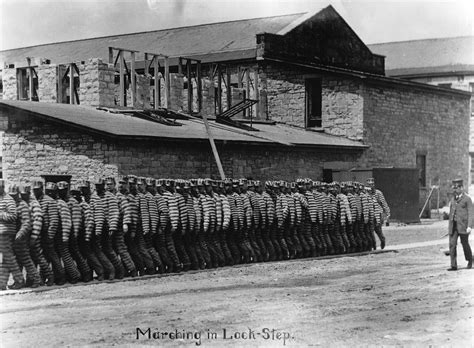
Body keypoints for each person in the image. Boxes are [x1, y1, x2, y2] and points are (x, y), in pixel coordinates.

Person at [447, 179, 473, 271]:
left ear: (462, 188)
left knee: (465, 244)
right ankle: (453, 265)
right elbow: (451, 212)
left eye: (457, 188)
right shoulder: (453, 198)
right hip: (453, 227)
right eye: (454, 188)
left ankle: (470, 260)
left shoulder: (467, 199)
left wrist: (470, 226)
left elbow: (471, 213)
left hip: (463, 227)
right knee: (452, 245)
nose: (455, 190)